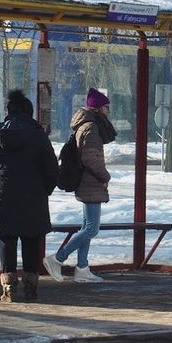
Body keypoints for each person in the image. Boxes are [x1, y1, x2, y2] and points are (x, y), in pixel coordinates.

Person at [0, 89, 59, 302]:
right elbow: (52, 169)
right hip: (34, 196)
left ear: (8, 111)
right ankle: (31, 288)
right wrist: (45, 189)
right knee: (31, 239)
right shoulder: (39, 136)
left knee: (7, 239)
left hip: (3, 195)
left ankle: (8, 289)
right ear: (29, 112)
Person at [44, 87, 116, 283]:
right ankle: (57, 259)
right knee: (92, 229)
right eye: (106, 107)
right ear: (98, 108)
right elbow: (92, 159)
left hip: (86, 181)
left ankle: (82, 268)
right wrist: (105, 176)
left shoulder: (84, 125)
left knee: (87, 226)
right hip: (90, 181)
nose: (108, 111)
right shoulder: (92, 127)